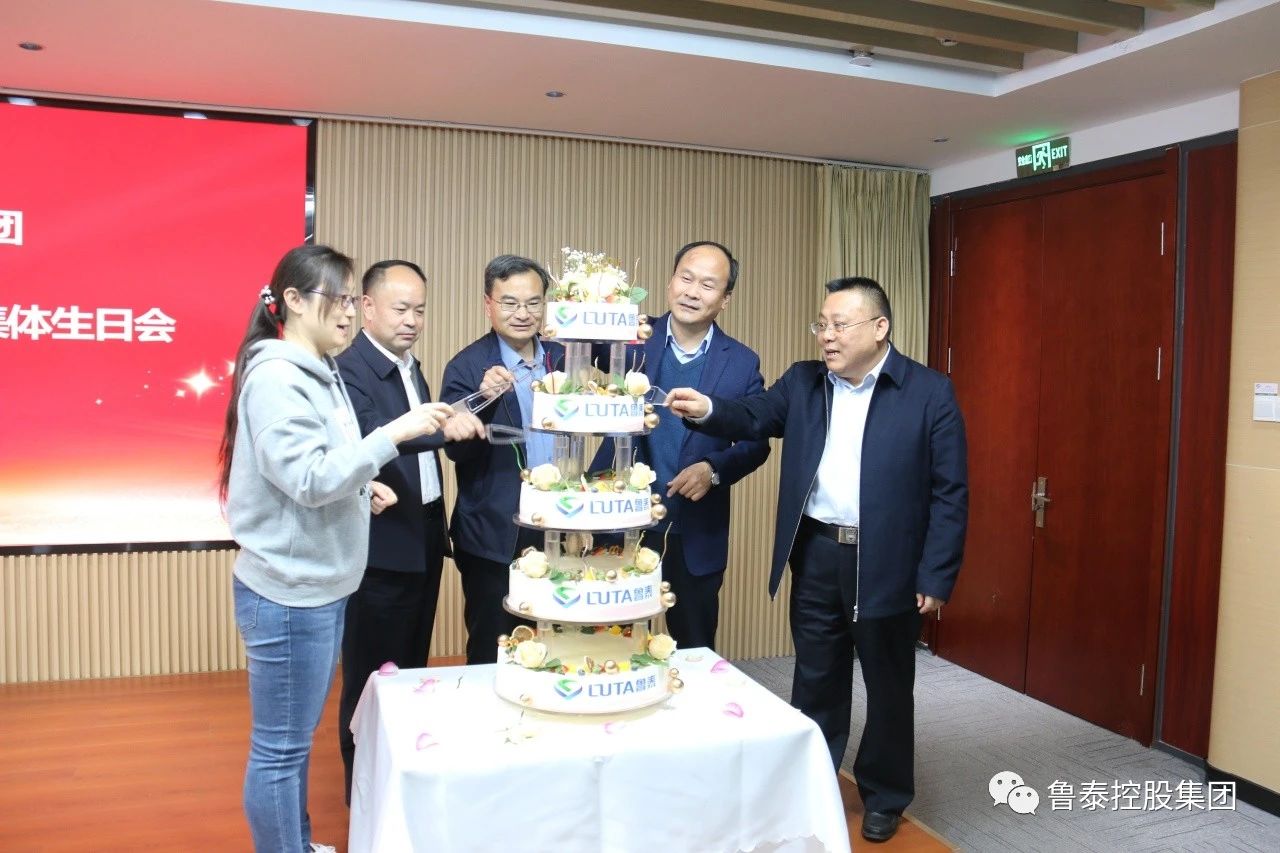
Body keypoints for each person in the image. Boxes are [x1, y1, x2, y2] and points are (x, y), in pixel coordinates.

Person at [667, 276, 968, 844]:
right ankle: (815, 785)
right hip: (817, 552)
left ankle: (884, 795)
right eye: (821, 325)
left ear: (879, 329)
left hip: (889, 560)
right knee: (816, 678)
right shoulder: (804, 383)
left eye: (839, 325)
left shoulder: (928, 392)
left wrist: (936, 573)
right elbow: (752, 416)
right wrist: (707, 408)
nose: (826, 336)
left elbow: (950, 492)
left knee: (888, 684)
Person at [217, 244, 480, 853]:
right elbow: (308, 478)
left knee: (291, 744)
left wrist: (363, 485)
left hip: (318, 580)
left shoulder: (318, 369)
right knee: (280, 750)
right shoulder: (279, 376)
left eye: (347, 299)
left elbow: (327, 462)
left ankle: (298, 842)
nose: (346, 312)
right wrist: (392, 435)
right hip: (289, 590)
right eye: (335, 299)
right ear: (292, 301)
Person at [334, 260, 480, 803]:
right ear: (367, 307)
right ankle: (361, 795)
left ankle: (398, 784)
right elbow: (374, 435)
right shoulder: (350, 369)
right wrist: (443, 426)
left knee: (411, 668)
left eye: (419, 310)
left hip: (423, 536)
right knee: (372, 678)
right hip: (381, 542)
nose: (412, 320)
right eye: (401, 309)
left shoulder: (408, 365)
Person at [593, 241, 769, 650]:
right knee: (609, 644)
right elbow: (570, 351)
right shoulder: (629, 337)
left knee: (694, 648)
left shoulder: (741, 362)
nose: (692, 292)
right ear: (670, 282)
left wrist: (713, 469)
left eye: (707, 285)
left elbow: (757, 441)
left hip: (695, 530)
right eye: (685, 278)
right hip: (620, 519)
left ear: (725, 299)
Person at [441, 254, 564, 664]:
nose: (522, 313)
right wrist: (485, 400)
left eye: (533, 303)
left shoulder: (563, 358)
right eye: (510, 303)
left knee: (555, 642)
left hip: (560, 523)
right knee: (493, 646)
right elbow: (455, 449)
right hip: (495, 534)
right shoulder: (467, 366)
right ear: (488, 305)